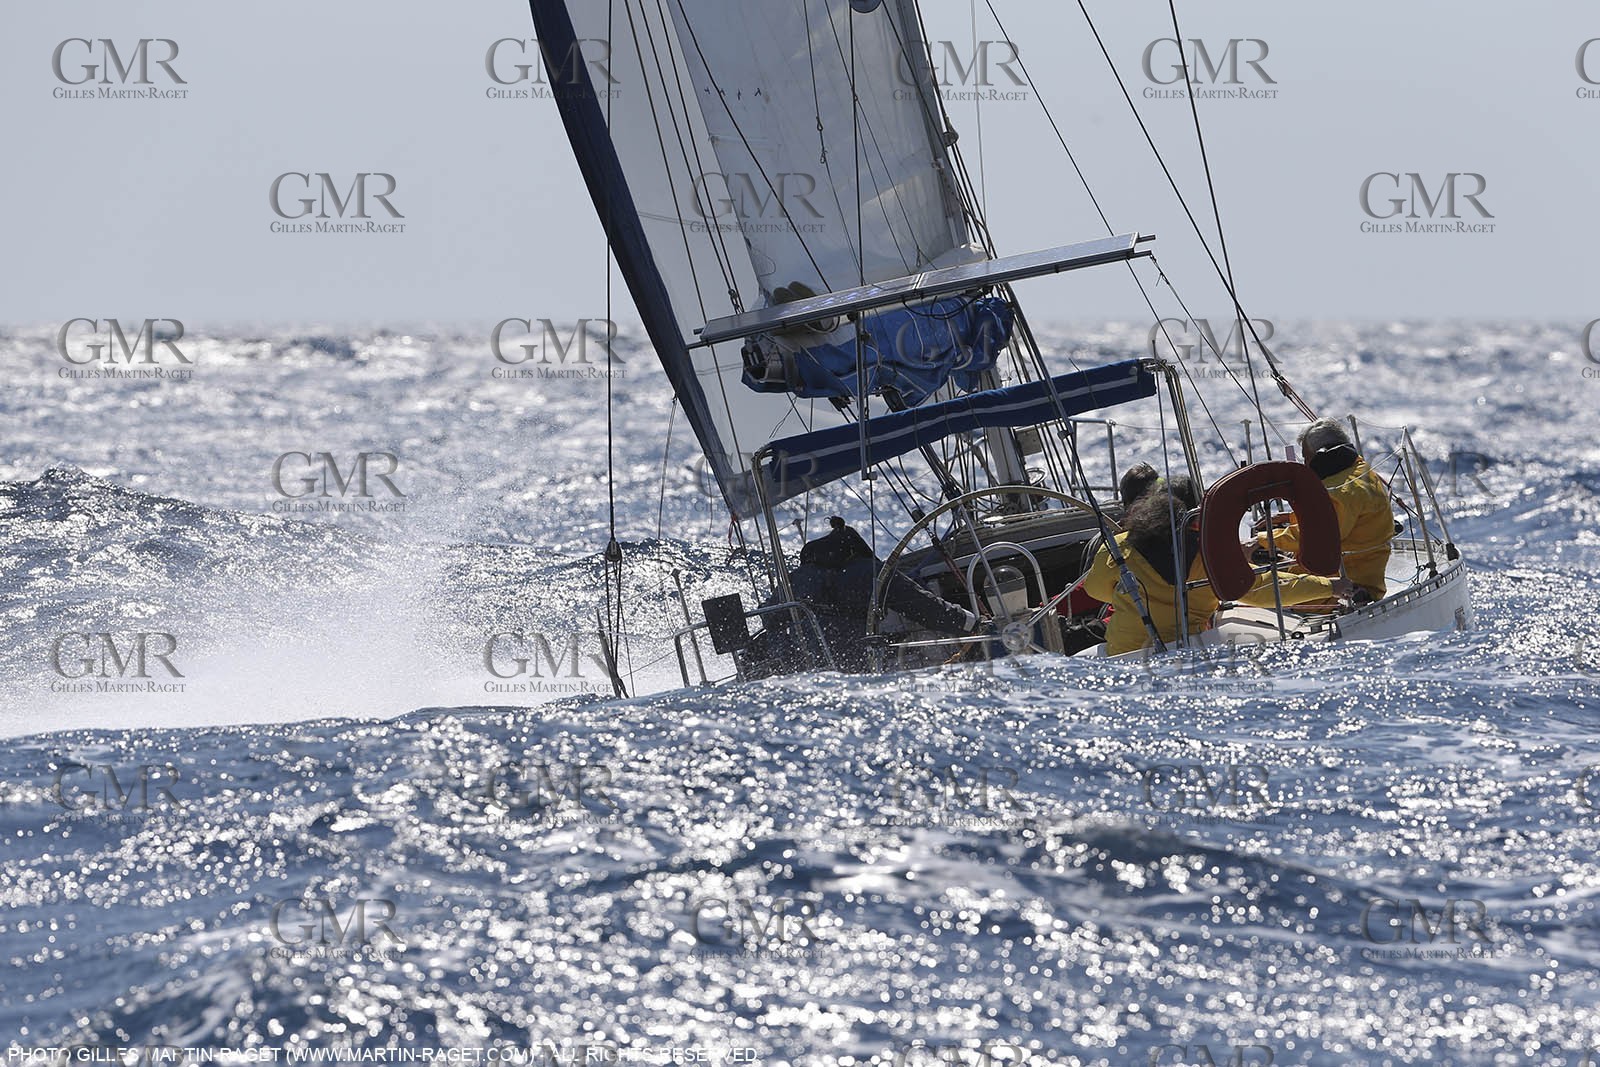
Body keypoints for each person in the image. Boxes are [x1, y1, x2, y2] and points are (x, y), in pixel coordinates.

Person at [764, 517, 981, 671]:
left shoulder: (797, 577)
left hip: (804, 667)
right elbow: (924, 608)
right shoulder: (870, 572)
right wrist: (970, 622)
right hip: (859, 665)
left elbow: (769, 617)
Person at [1247, 418, 1395, 605]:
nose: (1306, 465)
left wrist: (1261, 540)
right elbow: (1333, 519)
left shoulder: (1340, 491)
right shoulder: (1359, 470)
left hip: (1338, 591)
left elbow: (1318, 536)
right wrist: (1290, 517)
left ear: (1323, 455)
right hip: (1363, 577)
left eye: (1307, 458)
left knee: (1246, 585)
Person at [1082, 479, 1218, 655]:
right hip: (1190, 648)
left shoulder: (1118, 546)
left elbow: (1094, 590)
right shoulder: (1211, 550)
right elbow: (1251, 587)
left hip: (1124, 652)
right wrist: (1262, 541)